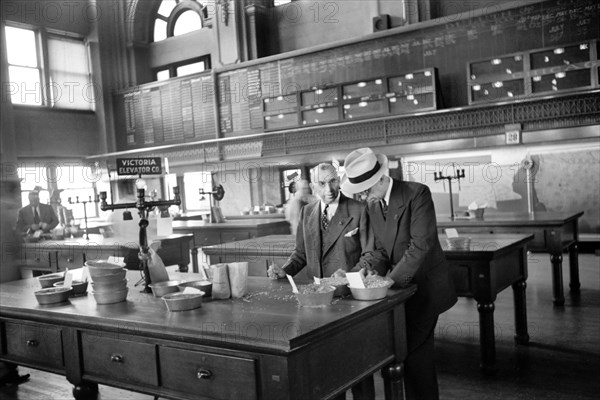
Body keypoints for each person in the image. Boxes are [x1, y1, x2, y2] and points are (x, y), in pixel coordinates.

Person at [340, 147, 457, 400]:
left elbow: (420, 245)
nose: (363, 196)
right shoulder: (372, 204)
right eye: (360, 191)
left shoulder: (417, 193)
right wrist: (358, 273)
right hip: (401, 294)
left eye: (368, 189)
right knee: (406, 355)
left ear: (382, 178)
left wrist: (388, 281)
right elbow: (380, 250)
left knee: (416, 358)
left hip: (426, 289)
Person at [269, 163, 386, 400]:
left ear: (340, 181)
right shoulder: (307, 212)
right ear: (313, 186)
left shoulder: (360, 209)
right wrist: (285, 270)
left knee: (358, 369)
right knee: (329, 371)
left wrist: (350, 274)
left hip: (352, 302)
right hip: (319, 304)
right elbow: (301, 254)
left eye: (333, 181)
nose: (329, 188)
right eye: (322, 183)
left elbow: (372, 254)